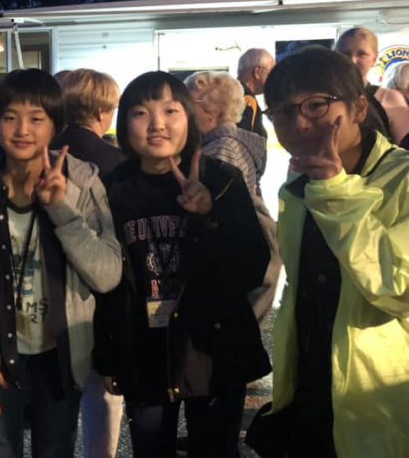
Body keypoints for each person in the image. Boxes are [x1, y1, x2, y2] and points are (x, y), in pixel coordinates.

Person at [0, 68, 122, 457]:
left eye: (37, 119)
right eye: (10, 117)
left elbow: (107, 276)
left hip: (60, 360)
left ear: (55, 124)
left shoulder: (83, 183)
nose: (22, 129)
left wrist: (61, 208)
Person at [95, 71, 271, 458]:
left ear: (189, 118)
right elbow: (106, 280)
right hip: (144, 350)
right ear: (124, 123)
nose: (157, 124)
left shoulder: (221, 179)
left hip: (212, 347)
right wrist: (109, 354)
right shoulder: (113, 189)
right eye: (141, 113)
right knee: (150, 449)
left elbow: (252, 264)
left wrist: (209, 213)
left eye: (171, 110)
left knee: (216, 449)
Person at [246, 46, 409, 457]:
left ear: (357, 107)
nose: (299, 122)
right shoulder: (298, 190)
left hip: (383, 402)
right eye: (281, 112)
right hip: (311, 395)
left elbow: (398, 289)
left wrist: (336, 188)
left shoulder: (402, 179)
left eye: (316, 105)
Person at [49, 68, 125, 458]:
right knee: (104, 386)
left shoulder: (40, 154)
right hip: (101, 288)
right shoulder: (115, 163)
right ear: (102, 111)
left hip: (48, 292)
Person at [184, 71, 282, 322]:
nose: (182, 111)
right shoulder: (236, 144)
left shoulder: (219, 152)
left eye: (188, 104)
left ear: (214, 111)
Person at [335, 27, 409, 144]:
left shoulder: (388, 98)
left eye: (362, 54)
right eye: (346, 54)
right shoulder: (322, 97)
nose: (352, 60)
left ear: (374, 59)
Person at [236, 47, 276, 142]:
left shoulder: (230, 93)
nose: (274, 78)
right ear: (257, 72)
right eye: (271, 73)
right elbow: (245, 145)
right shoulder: (247, 100)